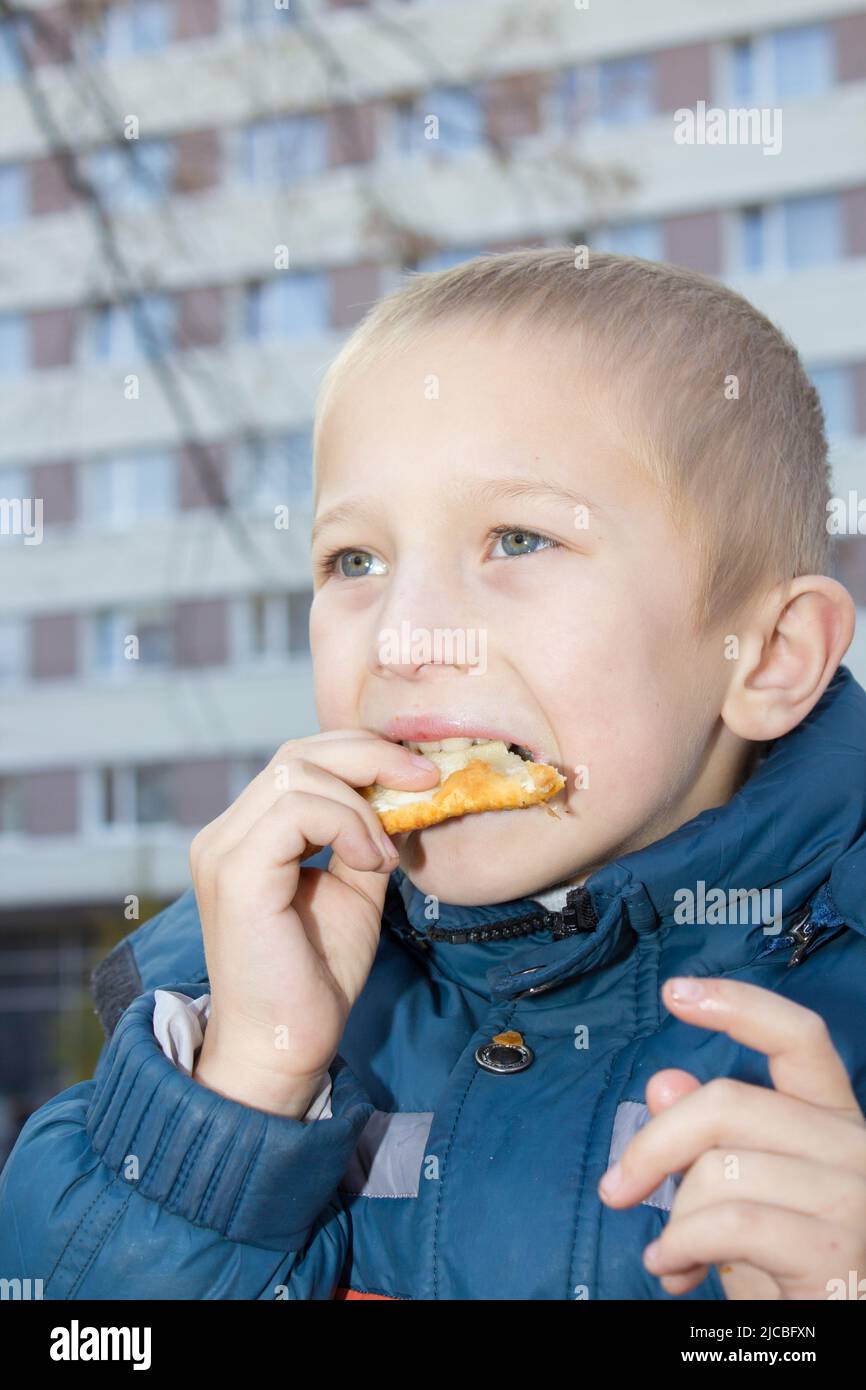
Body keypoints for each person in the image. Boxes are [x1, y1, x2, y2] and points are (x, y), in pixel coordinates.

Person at [2, 248, 866, 1301]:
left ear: (767, 656)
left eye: (516, 538)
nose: (405, 638)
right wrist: (240, 1100)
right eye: (353, 562)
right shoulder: (233, 1009)